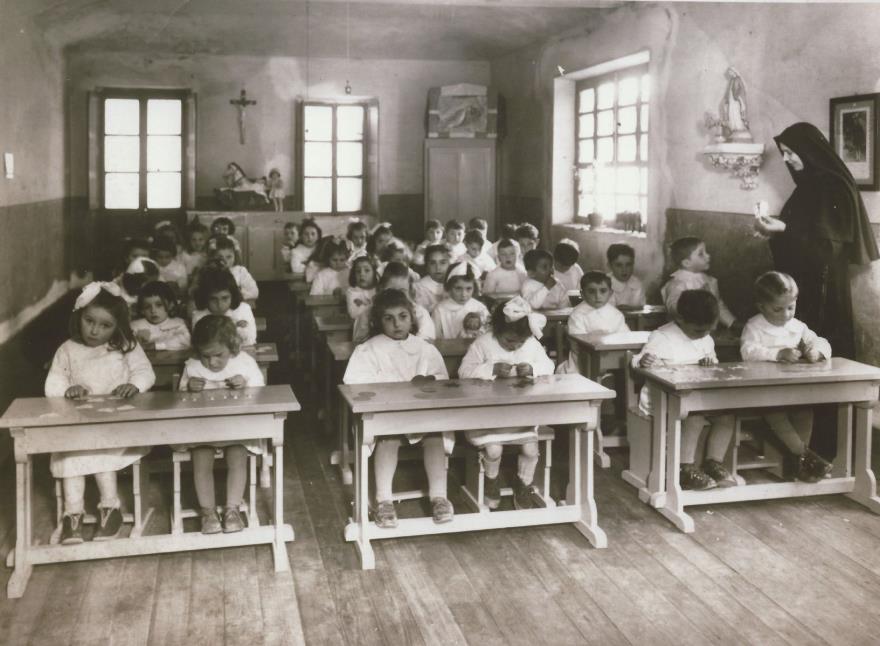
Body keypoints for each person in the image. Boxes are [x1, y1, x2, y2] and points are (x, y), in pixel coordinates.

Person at [754, 121, 879, 360]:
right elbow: (801, 230)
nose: (786, 159)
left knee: (820, 346)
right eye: (784, 153)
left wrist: (784, 228)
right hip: (801, 279)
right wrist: (773, 231)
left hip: (823, 283)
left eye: (790, 152)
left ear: (808, 151)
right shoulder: (807, 185)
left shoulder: (833, 186)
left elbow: (829, 246)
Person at [45, 282, 156, 544]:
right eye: (89, 321)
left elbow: (145, 372)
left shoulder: (126, 346)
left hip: (116, 423)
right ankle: (73, 514)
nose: (95, 331)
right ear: (79, 317)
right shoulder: (67, 349)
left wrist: (134, 385)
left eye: (105, 325)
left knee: (100, 450)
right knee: (70, 455)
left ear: (118, 326)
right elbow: (53, 383)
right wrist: (68, 389)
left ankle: (110, 507)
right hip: (78, 425)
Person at [343, 289, 453, 528]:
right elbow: (355, 383)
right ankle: (384, 500)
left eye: (402, 317)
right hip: (386, 415)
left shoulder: (424, 348)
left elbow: (441, 379)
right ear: (378, 321)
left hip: (420, 414)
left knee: (434, 436)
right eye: (388, 318)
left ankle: (439, 497)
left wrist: (429, 381)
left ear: (412, 318)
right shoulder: (369, 349)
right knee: (388, 438)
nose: (397, 324)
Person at [633, 290, 736, 490]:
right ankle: (684, 468)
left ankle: (713, 462)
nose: (704, 334)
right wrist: (643, 361)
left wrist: (710, 362)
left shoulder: (705, 338)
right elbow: (637, 360)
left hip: (697, 397)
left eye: (709, 329)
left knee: (727, 416)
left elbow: (713, 363)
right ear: (680, 319)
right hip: (662, 399)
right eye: (698, 330)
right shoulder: (662, 337)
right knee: (694, 416)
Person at [459, 297, 555, 509]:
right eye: (509, 341)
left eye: (520, 342)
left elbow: (549, 366)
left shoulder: (531, 344)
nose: (515, 346)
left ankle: (523, 483)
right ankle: (491, 480)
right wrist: (490, 369)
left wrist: (532, 369)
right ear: (497, 330)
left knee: (531, 450)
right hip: (487, 416)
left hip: (520, 415)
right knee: (493, 450)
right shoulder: (483, 343)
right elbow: (464, 372)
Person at [740, 271, 833, 481]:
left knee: (805, 410)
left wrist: (816, 351)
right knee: (774, 412)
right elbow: (748, 352)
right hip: (762, 393)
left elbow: (821, 341)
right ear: (761, 306)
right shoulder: (754, 326)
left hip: (792, 390)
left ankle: (800, 462)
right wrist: (777, 354)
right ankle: (804, 455)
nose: (785, 315)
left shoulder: (797, 327)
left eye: (791, 307)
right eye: (778, 309)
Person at [178, 315, 265, 533]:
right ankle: (208, 512)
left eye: (219, 355)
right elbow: (179, 399)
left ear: (232, 347)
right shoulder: (193, 366)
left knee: (238, 455)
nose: (212, 363)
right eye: (205, 356)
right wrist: (187, 387)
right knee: (201, 458)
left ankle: (232, 509)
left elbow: (261, 388)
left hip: (235, 427)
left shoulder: (244, 362)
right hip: (204, 428)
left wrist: (246, 383)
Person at [661, 237, 740, 331]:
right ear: (686, 263)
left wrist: (731, 322)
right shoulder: (677, 284)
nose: (708, 255)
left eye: (706, 252)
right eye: (701, 254)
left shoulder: (709, 281)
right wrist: (696, 302)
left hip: (706, 331)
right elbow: (673, 307)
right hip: (682, 332)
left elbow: (717, 305)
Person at [558, 271, 629, 374]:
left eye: (603, 291)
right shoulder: (578, 314)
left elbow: (625, 337)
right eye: (591, 291)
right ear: (582, 294)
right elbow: (577, 343)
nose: (597, 296)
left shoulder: (616, 314)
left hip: (613, 357)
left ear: (610, 293)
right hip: (585, 359)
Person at [352, 262, 435, 343]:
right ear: (381, 290)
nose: (396, 296)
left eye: (402, 291)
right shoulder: (368, 313)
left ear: (410, 291)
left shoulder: (420, 313)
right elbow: (359, 342)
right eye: (391, 291)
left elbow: (425, 341)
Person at [191, 267, 257, 346]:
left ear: (233, 296)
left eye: (225, 298)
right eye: (213, 299)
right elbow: (202, 344)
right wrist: (235, 327)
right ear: (205, 298)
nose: (220, 305)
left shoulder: (243, 309)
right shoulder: (199, 315)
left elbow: (250, 340)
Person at [432, 262, 489, 339]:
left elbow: (488, 332)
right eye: (458, 288)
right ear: (449, 287)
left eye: (468, 289)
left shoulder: (480, 307)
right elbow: (436, 337)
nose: (464, 294)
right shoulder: (440, 309)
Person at [131, 280, 191, 351]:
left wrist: (155, 346)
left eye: (159, 305)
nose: (153, 311)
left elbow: (185, 341)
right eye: (147, 307)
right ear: (142, 310)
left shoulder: (178, 323)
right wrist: (138, 339)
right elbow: (129, 344)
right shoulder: (136, 326)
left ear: (170, 305)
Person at [210, 235, 259, 302]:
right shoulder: (210, 271)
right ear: (213, 257)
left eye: (229, 257)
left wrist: (236, 294)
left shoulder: (240, 271)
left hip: (237, 303)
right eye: (220, 257)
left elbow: (254, 292)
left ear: (235, 256)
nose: (225, 261)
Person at [413, 244, 450, 313]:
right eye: (432, 263)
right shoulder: (419, 288)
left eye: (442, 263)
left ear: (449, 264)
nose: (438, 267)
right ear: (426, 266)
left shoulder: (454, 283)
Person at [606, 243, 645, 308]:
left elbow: (641, 308)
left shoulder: (637, 284)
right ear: (610, 266)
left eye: (628, 264)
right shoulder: (604, 284)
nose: (624, 270)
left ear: (633, 264)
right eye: (619, 265)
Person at [346, 256, 377, 320]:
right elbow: (353, 314)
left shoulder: (378, 290)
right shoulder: (352, 292)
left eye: (367, 270)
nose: (362, 274)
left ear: (374, 273)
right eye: (358, 271)